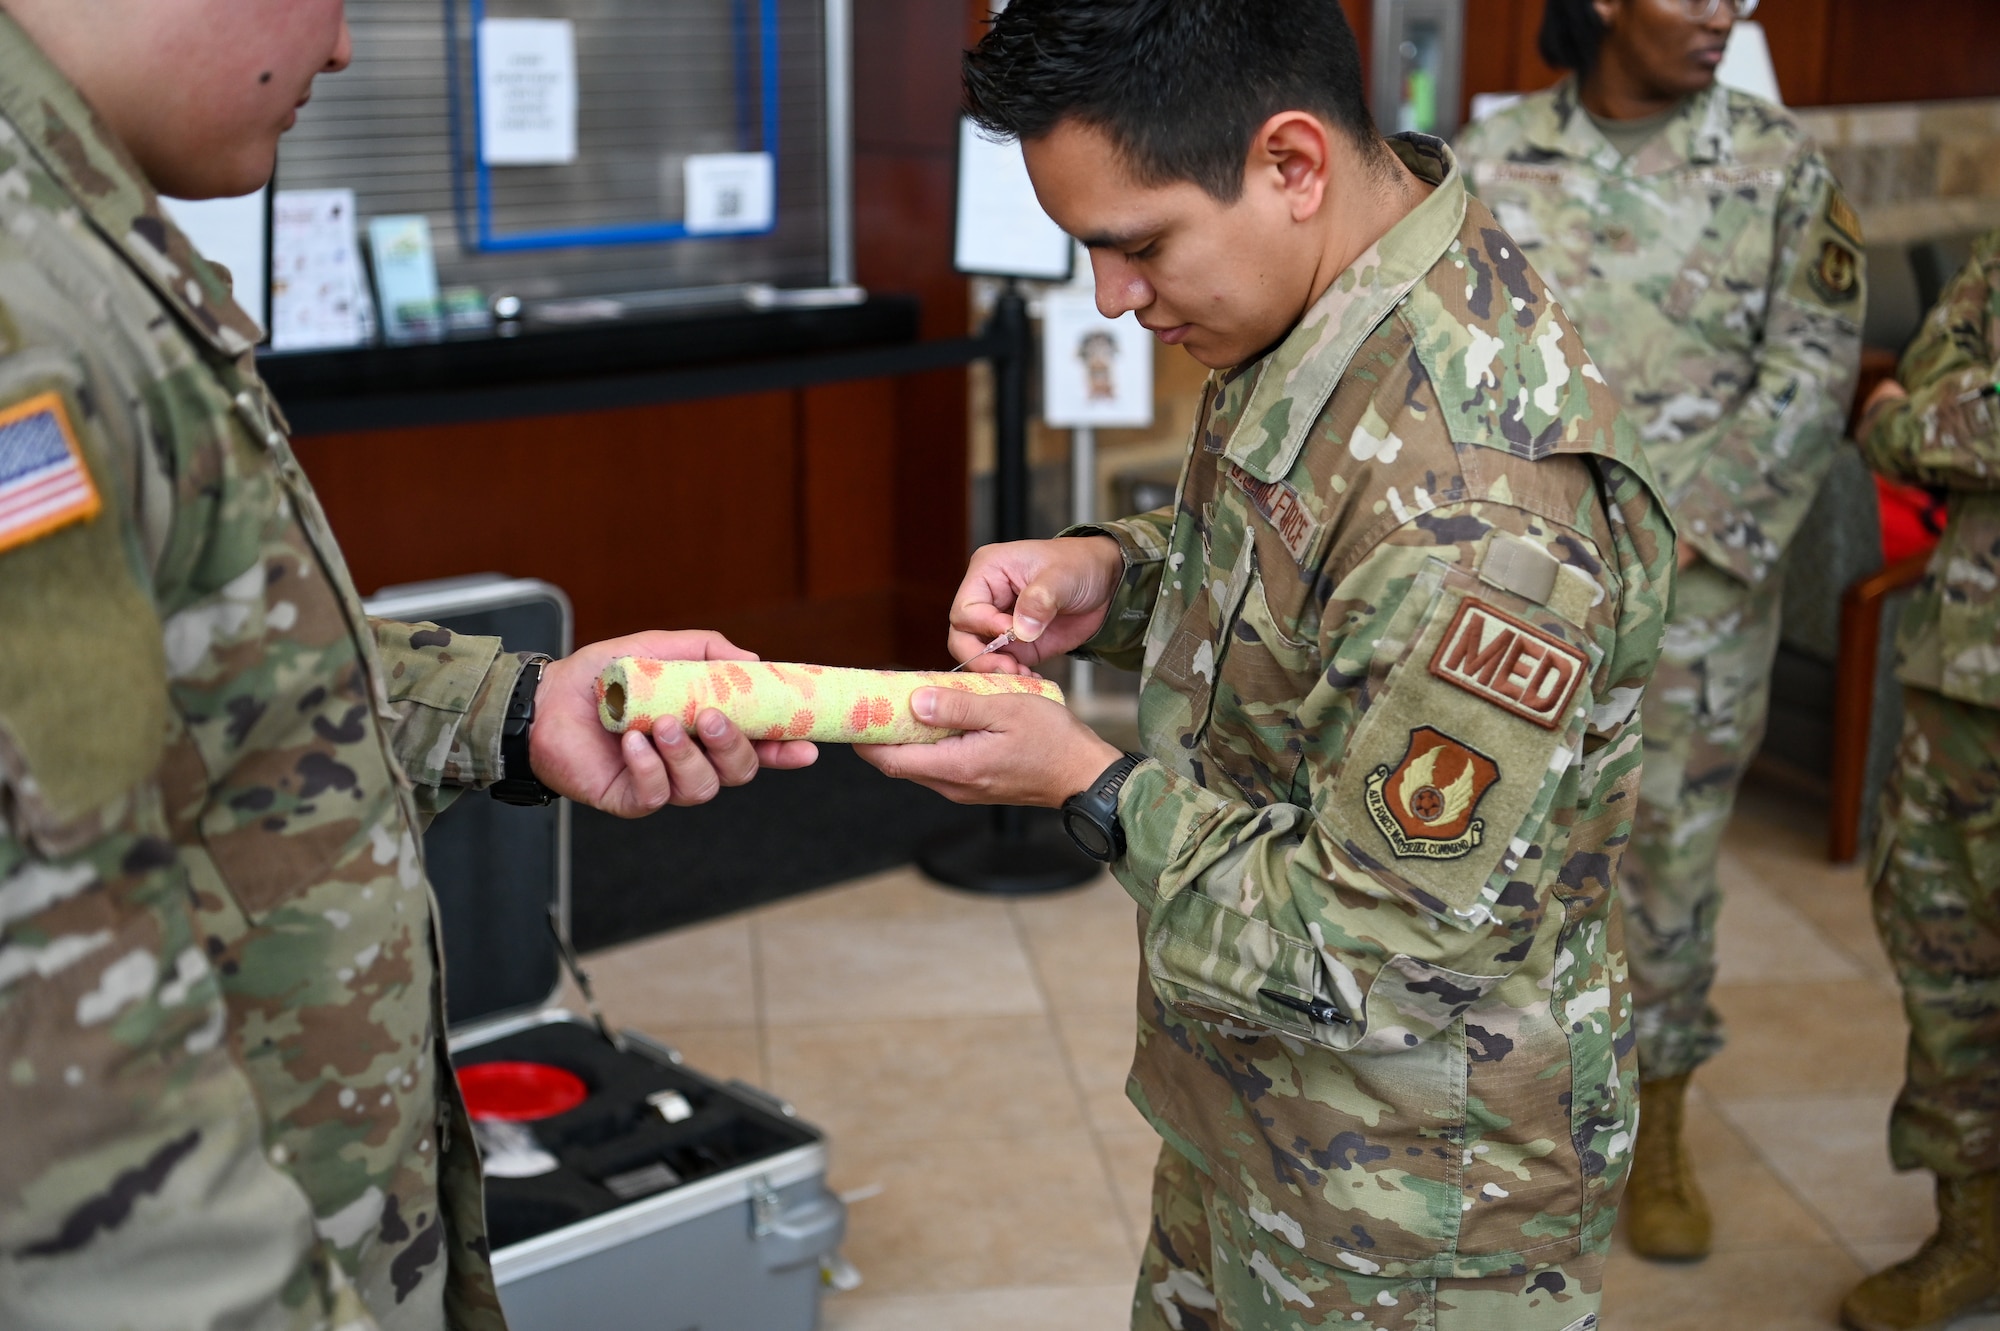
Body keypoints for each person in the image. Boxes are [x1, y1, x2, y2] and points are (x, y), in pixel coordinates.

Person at [0, 2, 816, 1327]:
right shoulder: (25, 303)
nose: (341, 52)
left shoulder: (76, 237)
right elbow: (56, 1066)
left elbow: (216, 653)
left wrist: (522, 708)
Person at [859, 2, 1674, 1325]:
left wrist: (1083, 778)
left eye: (1136, 248)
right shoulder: (1330, 282)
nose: (1116, 301)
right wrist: (1114, 569)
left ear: (1292, 163)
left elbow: (1367, 945)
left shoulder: (1485, 503)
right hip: (1261, 1102)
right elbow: (1298, 558)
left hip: (1411, 1196)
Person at [1454, 0, 1865, 1260]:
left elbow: (1810, 363)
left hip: (1691, 600)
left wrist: (1679, 530)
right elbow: (1452, 362)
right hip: (1520, 584)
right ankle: (1503, 1115)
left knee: (1667, 865)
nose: (1723, 12)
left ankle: (1660, 1117)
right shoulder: (1487, 161)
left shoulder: (1779, 164)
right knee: (1492, 843)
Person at [1840, 231, 2000, 1331]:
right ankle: (1970, 1231)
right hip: (1963, 677)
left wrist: (1910, 414)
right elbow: (1916, 415)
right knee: (1944, 959)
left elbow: (1920, 415)